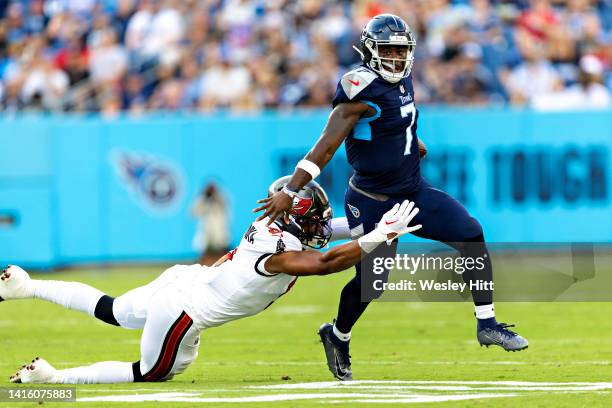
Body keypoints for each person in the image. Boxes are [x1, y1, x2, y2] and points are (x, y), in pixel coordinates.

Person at [254, 14, 528, 382]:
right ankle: (337, 335)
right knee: (372, 284)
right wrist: (291, 189)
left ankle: (487, 323)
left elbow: (397, 118)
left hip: (412, 190)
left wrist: (410, 140)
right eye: (390, 51)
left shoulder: (402, 79)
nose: (397, 58)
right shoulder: (359, 88)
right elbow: (327, 143)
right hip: (371, 198)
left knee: (471, 232)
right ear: (370, 51)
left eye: (402, 51)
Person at [1, 177, 421, 384]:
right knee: (154, 373)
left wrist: (371, 226)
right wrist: (380, 235)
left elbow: (328, 229)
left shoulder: (279, 230)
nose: (321, 223)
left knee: (112, 310)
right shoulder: (277, 252)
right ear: (294, 219)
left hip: (185, 280)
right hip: (185, 309)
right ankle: (54, 379)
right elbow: (326, 263)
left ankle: (27, 286)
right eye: (312, 218)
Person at [190, 182, 230, 266]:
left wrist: (215, 197)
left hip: (219, 229)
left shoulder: (221, 198)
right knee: (205, 252)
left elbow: (225, 205)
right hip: (206, 230)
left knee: (221, 252)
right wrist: (204, 198)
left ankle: (222, 267)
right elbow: (193, 212)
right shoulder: (203, 200)